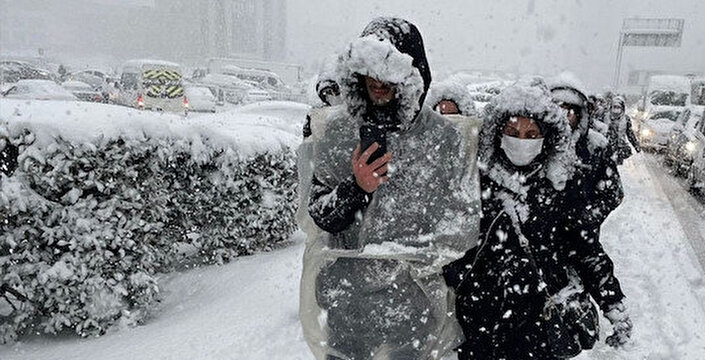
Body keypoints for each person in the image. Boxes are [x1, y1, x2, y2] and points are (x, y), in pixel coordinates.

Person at [300, 17, 480, 360]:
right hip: (347, 308)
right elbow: (321, 215)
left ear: (413, 72)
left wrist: (411, 258)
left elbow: (463, 223)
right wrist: (356, 188)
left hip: (413, 308)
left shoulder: (442, 139)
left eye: (390, 70)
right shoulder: (339, 132)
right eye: (370, 69)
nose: (379, 81)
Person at [444, 81, 629, 359]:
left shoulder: (560, 189)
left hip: (539, 324)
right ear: (497, 133)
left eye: (532, 133)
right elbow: (448, 245)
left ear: (547, 138)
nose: (522, 140)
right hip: (480, 320)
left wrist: (612, 301)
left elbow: (585, 248)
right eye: (512, 131)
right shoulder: (473, 184)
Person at [549, 76, 632, 349]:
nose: (565, 116)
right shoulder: (538, 144)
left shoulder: (595, 147)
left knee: (594, 266)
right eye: (558, 108)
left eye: (571, 111)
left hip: (579, 236)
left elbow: (613, 192)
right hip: (539, 237)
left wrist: (585, 217)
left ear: (582, 114)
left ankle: (617, 314)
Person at [607, 96, 641, 165]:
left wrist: (636, 146)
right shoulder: (605, 117)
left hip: (619, 149)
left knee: (615, 168)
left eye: (618, 107)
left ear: (622, 109)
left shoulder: (626, 119)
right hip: (606, 148)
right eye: (615, 107)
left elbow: (630, 134)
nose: (616, 110)